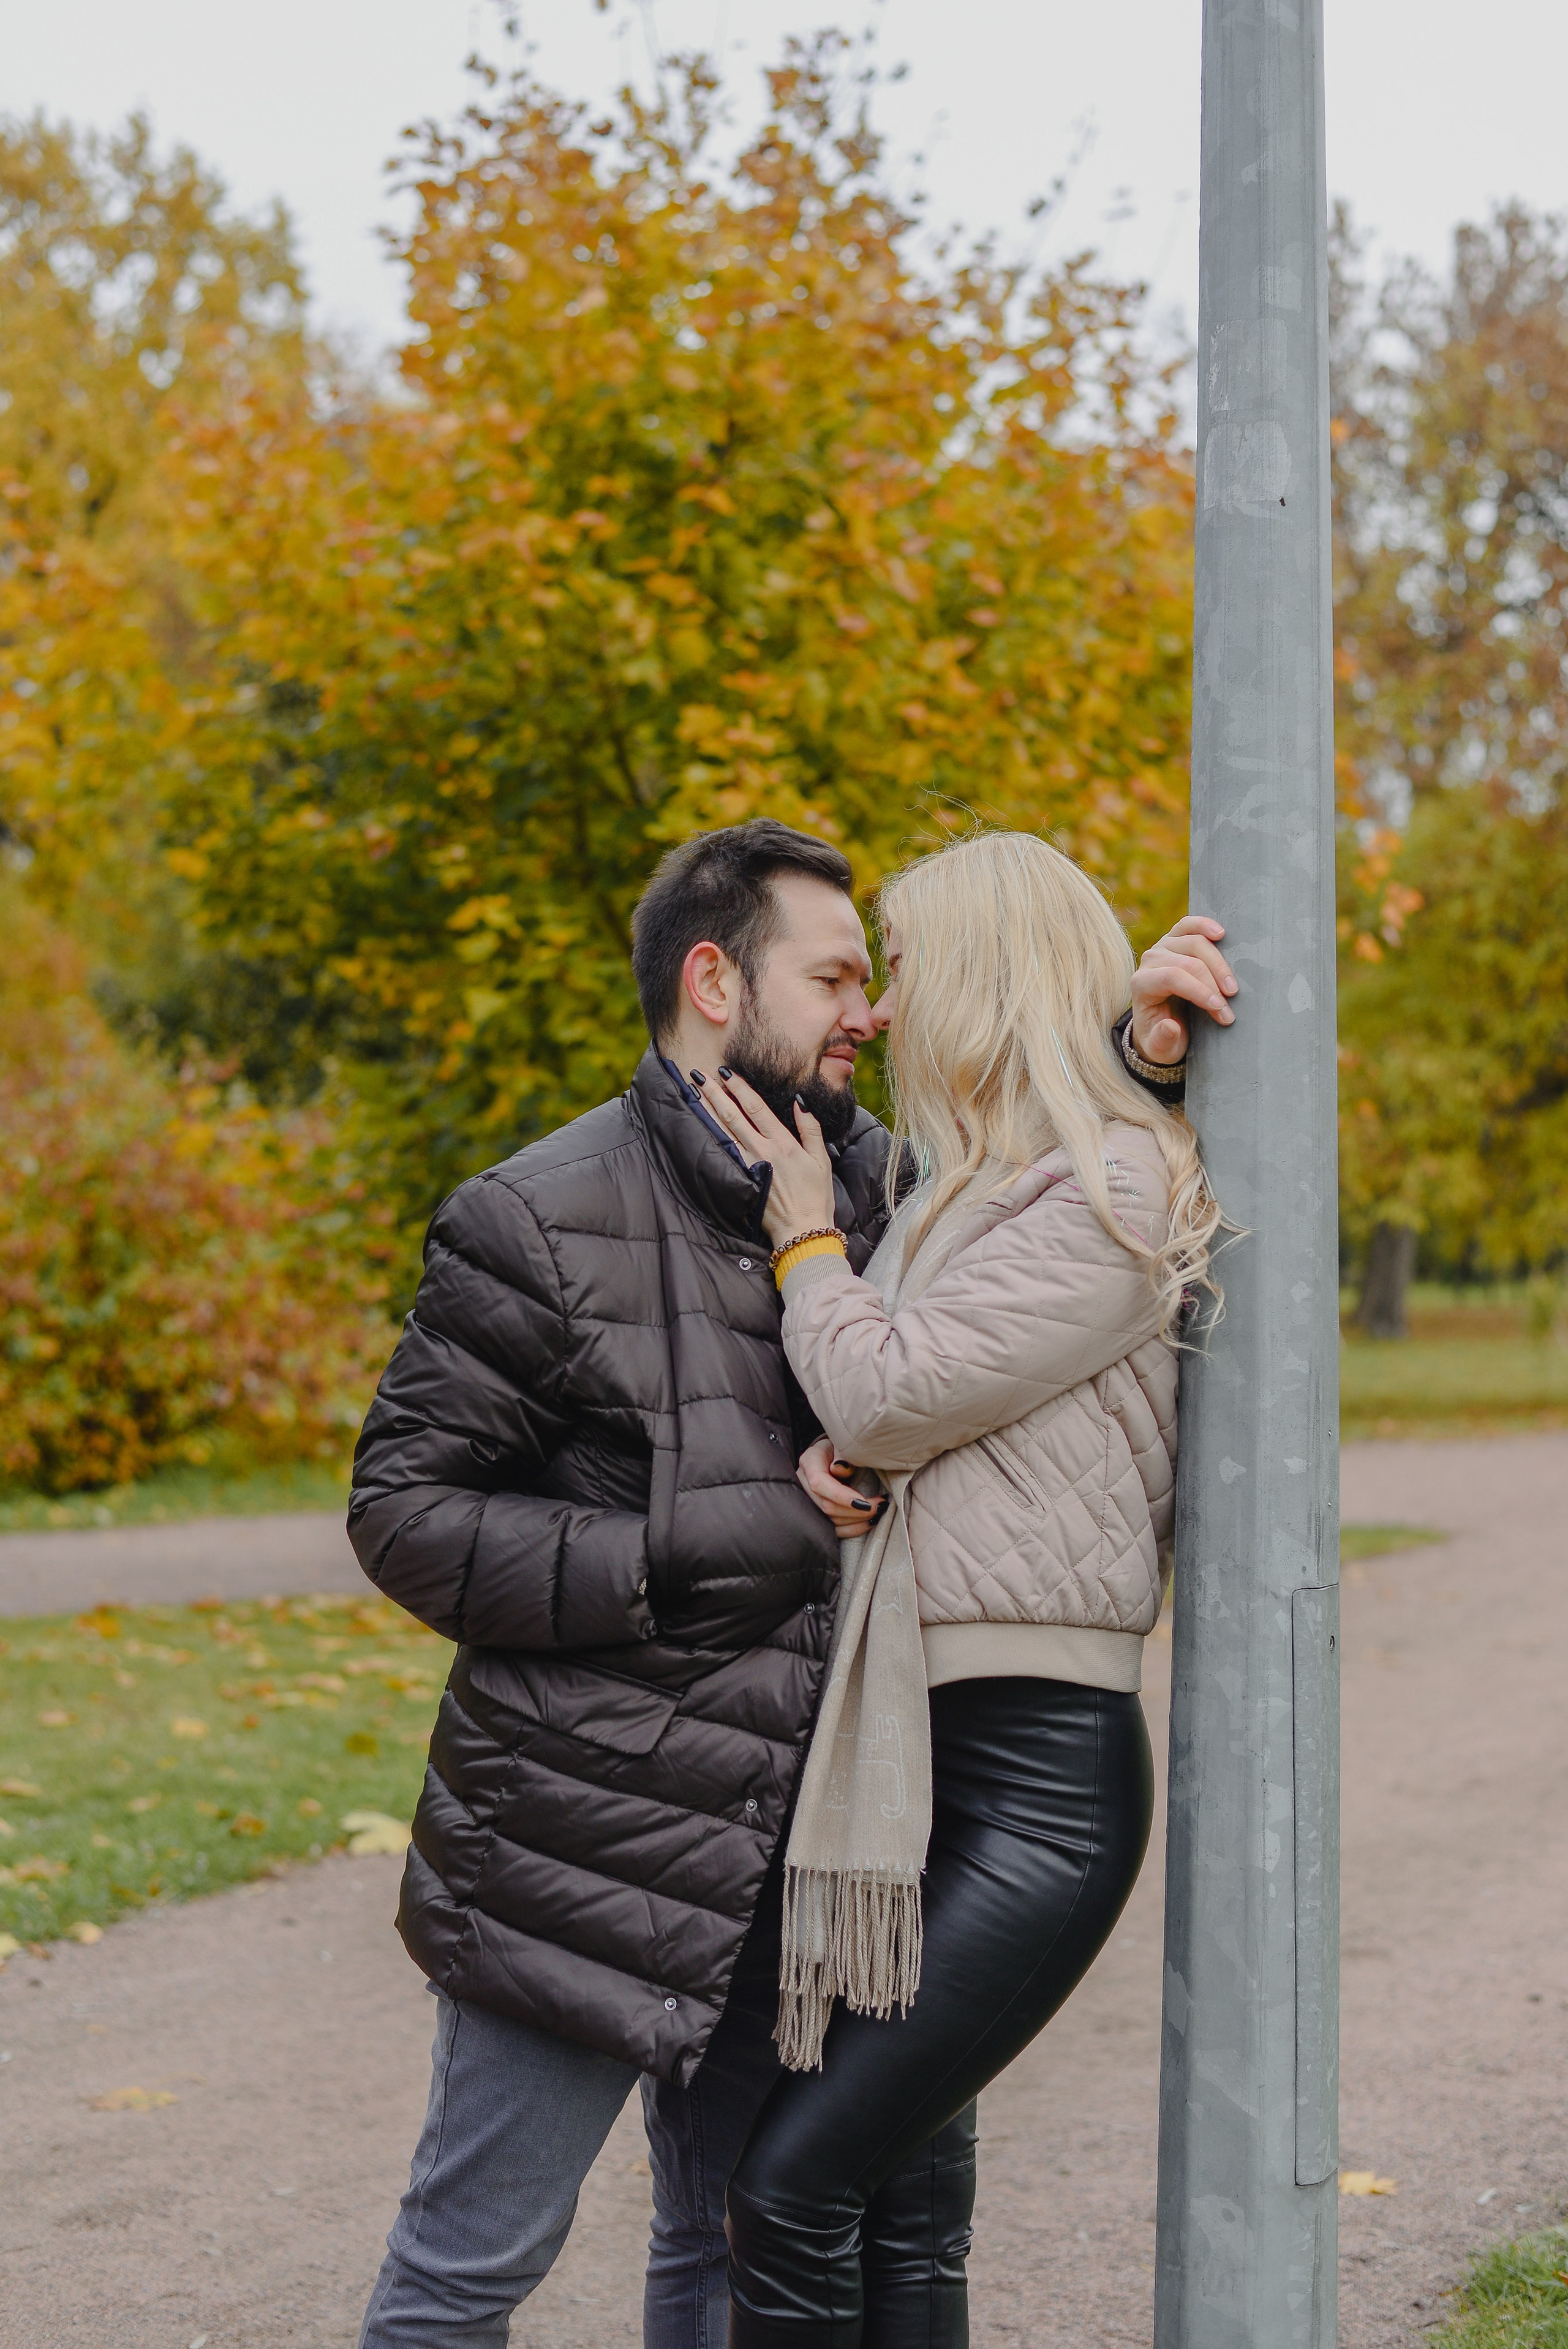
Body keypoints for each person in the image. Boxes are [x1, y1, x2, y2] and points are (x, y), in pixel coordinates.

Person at [347, 816, 1235, 2347]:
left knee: (722, 2237)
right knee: (468, 2265)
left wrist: (1133, 1047)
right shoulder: (534, 1216)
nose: (868, 1013)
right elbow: (406, 1516)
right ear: (713, 979)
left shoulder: (876, 1185)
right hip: (589, 1847)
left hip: (804, 1851)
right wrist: (735, 1530)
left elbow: (1039, 1200)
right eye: (834, 977)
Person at [689, 829, 1226, 2348]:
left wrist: (802, 1236)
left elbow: (886, 1389)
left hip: (1035, 1790)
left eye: (903, 972)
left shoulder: (1117, 1184)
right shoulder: (971, 1187)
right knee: (901, 2213)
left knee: (788, 2192)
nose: (877, 1009)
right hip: (937, 1760)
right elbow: (889, 1410)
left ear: (986, 979)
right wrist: (1135, 1042)